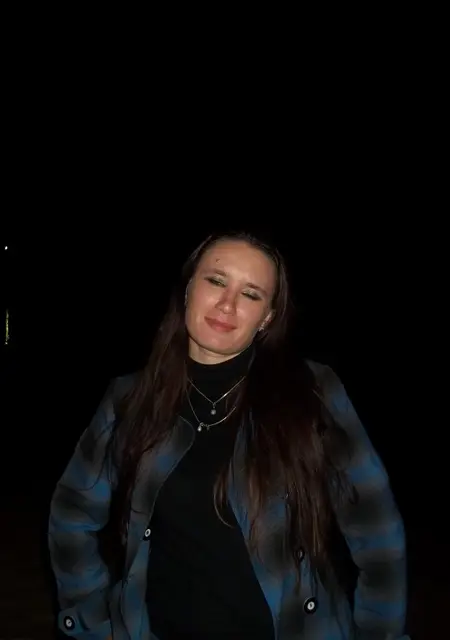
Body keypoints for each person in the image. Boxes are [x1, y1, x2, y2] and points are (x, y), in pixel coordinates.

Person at [48, 230, 410, 640]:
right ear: (189, 289)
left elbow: (378, 535)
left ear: (267, 317)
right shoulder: (130, 399)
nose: (227, 304)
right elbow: (72, 512)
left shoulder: (311, 393)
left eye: (251, 294)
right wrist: (96, 620)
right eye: (216, 281)